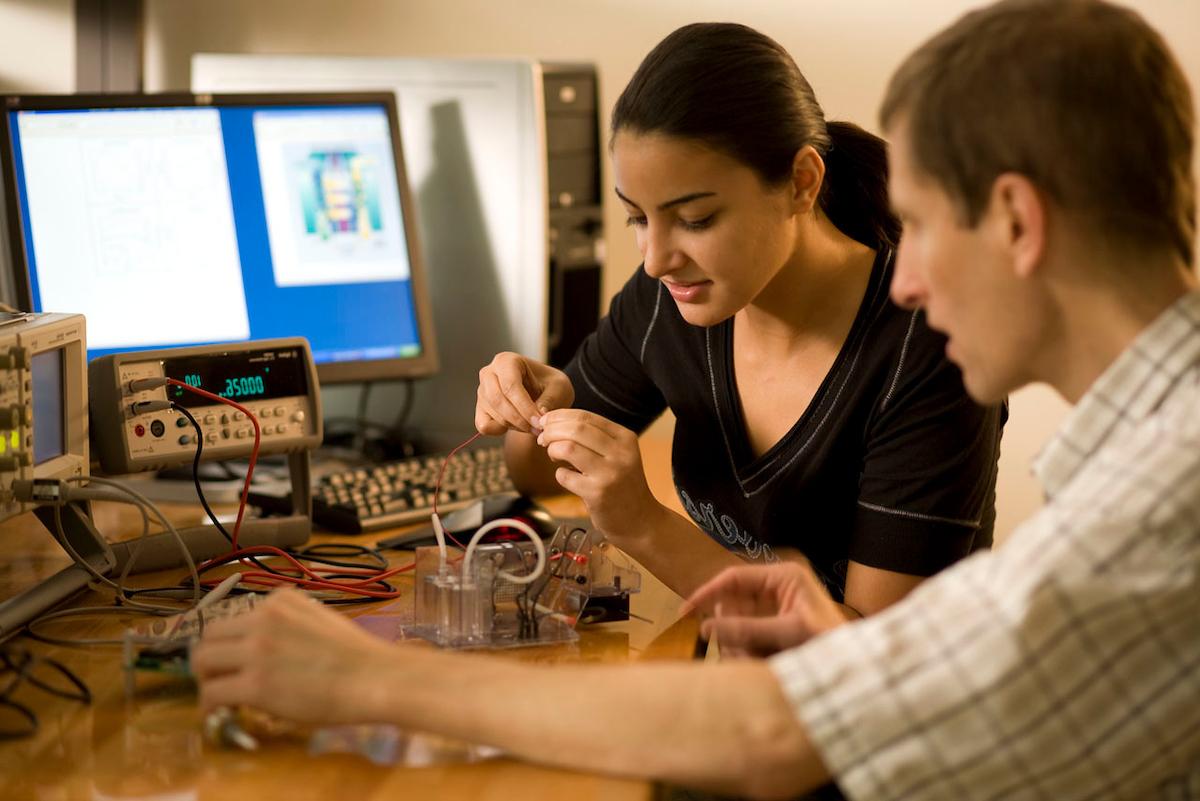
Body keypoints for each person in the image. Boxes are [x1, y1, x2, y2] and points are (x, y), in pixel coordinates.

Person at [192, 0, 1200, 798]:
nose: (907, 278)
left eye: (924, 226)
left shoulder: (1166, 499)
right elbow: (933, 695)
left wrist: (364, 679)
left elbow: (780, 737)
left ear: (1018, 222)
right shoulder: (1145, 456)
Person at [476, 22, 1004, 610]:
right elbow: (537, 478)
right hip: (754, 687)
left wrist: (643, 525)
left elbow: (870, 665)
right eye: (638, 219)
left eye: (696, 219)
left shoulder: (929, 353)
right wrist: (535, 410)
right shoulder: (673, 298)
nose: (655, 260)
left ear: (802, 183)